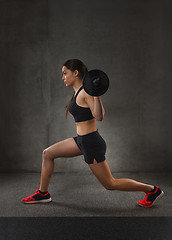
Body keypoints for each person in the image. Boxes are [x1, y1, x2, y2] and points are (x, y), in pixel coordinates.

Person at [22, 59, 164, 207]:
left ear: (75, 73)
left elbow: (99, 116)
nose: (62, 77)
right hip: (81, 140)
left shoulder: (85, 92)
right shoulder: (79, 91)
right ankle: (43, 193)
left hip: (91, 143)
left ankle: (152, 190)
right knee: (48, 153)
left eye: (65, 73)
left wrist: (96, 93)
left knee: (110, 184)